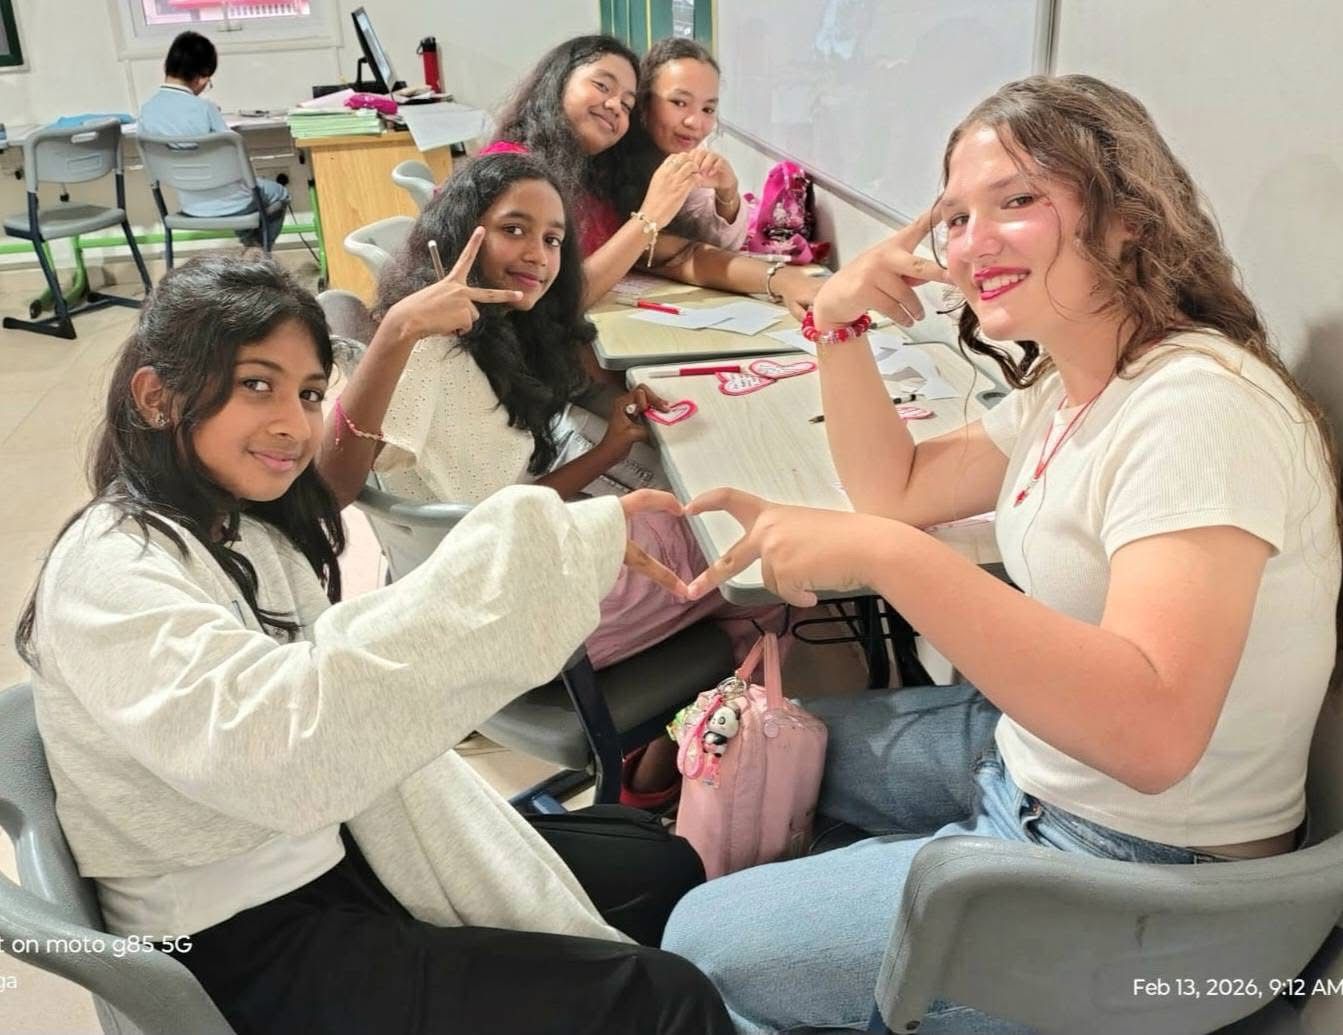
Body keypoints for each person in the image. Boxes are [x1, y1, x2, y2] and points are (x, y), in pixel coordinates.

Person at [659, 74, 1343, 1033]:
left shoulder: (1198, 410)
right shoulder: (1076, 382)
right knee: (764, 747)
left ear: (1129, 218)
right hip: (1038, 769)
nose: (970, 242)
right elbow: (897, 488)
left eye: (1017, 200)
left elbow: (1154, 738)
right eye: (955, 216)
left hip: (1145, 879)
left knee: (700, 940)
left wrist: (886, 557)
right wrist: (836, 322)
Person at [15, 254, 735, 1035]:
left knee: (660, 862)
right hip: (233, 941)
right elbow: (286, 746)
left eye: (308, 393)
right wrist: (537, 555)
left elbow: (337, 663)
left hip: (326, 846)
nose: (293, 423)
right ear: (157, 397)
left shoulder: (234, 523)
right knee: (666, 998)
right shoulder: (110, 573)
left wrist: (557, 545)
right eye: (257, 384)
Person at [316, 152, 783, 807]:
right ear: (462, 230)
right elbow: (330, 489)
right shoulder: (428, 354)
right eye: (515, 229)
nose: (538, 253)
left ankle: (660, 761)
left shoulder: (490, 337)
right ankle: (676, 775)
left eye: (554, 239)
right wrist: (396, 330)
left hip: (506, 582)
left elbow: (513, 504)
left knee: (701, 516)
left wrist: (611, 447)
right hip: (523, 612)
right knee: (759, 555)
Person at [484, 34, 820, 318]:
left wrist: (781, 280)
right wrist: (649, 217)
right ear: (557, 81)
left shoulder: (596, 174)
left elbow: (677, 254)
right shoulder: (515, 173)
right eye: (602, 85)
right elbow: (549, 304)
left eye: (626, 103)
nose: (614, 105)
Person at [137, 31, 289, 248]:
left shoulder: (146, 111)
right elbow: (235, 160)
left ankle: (251, 253)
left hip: (190, 205)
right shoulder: (205, 108)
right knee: (278, 192)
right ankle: (255, 252)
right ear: (201, 77)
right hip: (236, 204)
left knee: (243, 192)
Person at [634, 37, 748, 250]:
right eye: (679, 103)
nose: (695, 123)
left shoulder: (690, 159)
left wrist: (727, 192)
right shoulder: (611, 156)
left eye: (708, 109)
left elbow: (719, 246)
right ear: (643, 100)